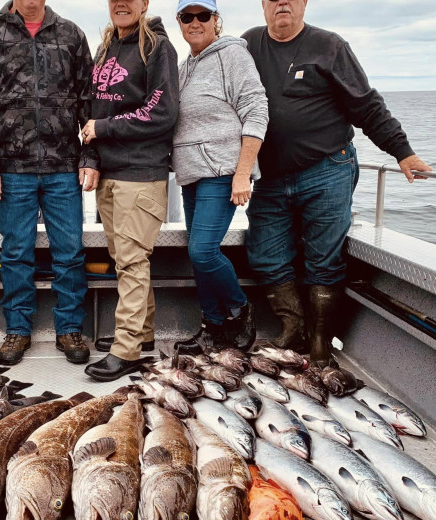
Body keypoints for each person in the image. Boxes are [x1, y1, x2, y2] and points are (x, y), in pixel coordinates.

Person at [242, 0, 431, 366]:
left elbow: (366, 105)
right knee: (264, 255)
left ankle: (320, 344)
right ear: (262, 5)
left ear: (304, 3)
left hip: (326, 168)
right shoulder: (247, 45)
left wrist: (402, 152)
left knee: (323, 259)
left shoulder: (329, 46)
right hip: (269, 177)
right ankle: (292, 329)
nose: (282, 2)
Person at [0, 0, 97, 366]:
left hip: (64, 167)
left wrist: (89, 159)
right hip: (10, 169)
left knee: (69, 253)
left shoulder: (71, 34)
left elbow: (90, 103)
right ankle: (17, 330)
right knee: (15, 253)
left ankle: (69, 329)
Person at [80, 0, 180, 381]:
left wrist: (104, 130)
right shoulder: (107, 46)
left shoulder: (157, 46)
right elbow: (93, 109)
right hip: (110, 174)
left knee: (132, 262)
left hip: (141, 174)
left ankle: (127, 351)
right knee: (127, 259)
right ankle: (142, 335)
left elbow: (162, 112)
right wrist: (90, 157)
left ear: (144, 4)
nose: (121, 3)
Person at [171, 0, 268, 354]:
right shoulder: (183, 68)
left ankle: (241, 310)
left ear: (215, 20)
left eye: (202, 15)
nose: (195, 22)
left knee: (203, 251)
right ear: (179, 22)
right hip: (190, 174)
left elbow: (257, 111)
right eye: (187, 16)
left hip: (223, 172)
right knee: (197, 256)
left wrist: (243, 173)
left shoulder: (233, 56)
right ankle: (212, 328)